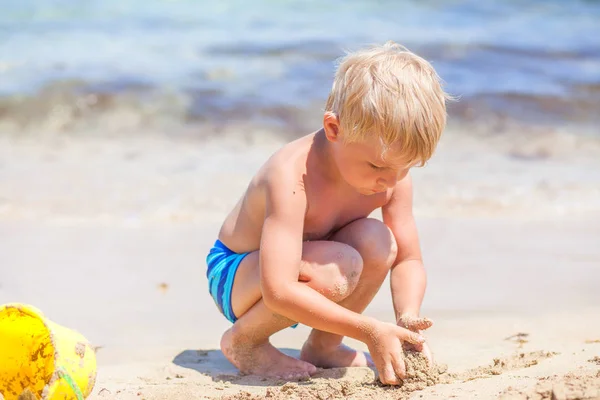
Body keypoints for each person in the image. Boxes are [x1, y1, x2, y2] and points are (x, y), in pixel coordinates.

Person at [206, 40, 450, 385]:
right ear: (334, 129)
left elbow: (408, 260)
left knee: (380, 240)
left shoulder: (391, 178)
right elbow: (279, 289)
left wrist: (407, 316)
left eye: (406, 168)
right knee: (339, 268)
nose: (389, 182)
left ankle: (324, 345)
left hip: (317, 261)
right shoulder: (292, 175)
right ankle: (244, 340)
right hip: (238, 273)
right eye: (377, 165)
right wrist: (369, 330)